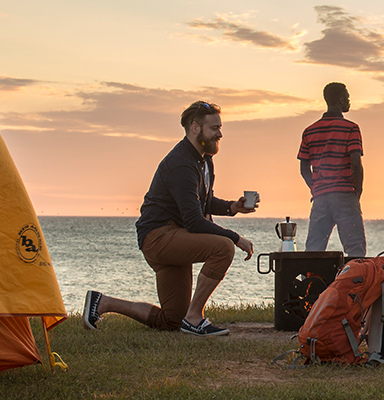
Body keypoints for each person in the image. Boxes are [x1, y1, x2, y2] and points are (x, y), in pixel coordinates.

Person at [83, 101, 255, 336]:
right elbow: (194, 220)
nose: (220, 133)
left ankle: (103, 303)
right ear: (195, 128)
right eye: (214, 128)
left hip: (174, 236)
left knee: (172, 319)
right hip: (159, 236)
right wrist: (235, 238)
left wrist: (233, 207)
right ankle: (194, 318)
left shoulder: (203, 159)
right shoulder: (181, 163)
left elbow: (202, 201)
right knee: (224, 247)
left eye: (220, 127)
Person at [297, 82, 367, 256]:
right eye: (348, 98)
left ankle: (311, 281)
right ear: (342, 100)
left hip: (320, 198)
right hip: (344, 195)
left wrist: (315, 186)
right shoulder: (351, 128)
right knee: (355, 249)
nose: (349, 102)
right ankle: (355, 282)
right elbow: (356, 164)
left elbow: (304, 167)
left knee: (314, 250)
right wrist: (357, 192)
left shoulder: (309, 131)